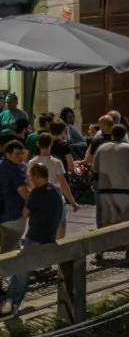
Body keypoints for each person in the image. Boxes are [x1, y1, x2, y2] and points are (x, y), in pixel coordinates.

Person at [0, 161, 65, 319]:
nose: (29, 179)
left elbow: (25, 214)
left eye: (30, 177)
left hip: (35, 238)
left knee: (21, 271)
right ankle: (11, 302)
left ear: (36, 177)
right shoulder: (56, 190)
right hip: (50, 238)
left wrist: (30, 192)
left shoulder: (36, 193)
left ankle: (11, 303)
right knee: (23, 270)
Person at [89, 125, 129, 264]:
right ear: (124, 135)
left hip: (105, 190)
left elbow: (94, 170)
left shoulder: (102, 148)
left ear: (112, 134)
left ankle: (100, 250)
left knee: (105, 222)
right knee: (127, 221)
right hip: (126, 190)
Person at [28, 132, 78, 235]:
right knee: (61, 225)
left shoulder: (32, 163)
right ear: (51, 144)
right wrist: (72, 202)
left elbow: (30, 184)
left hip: (39, 199)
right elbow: (63, 184)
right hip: (56, 197)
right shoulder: (56, 162)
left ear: (38, 144)